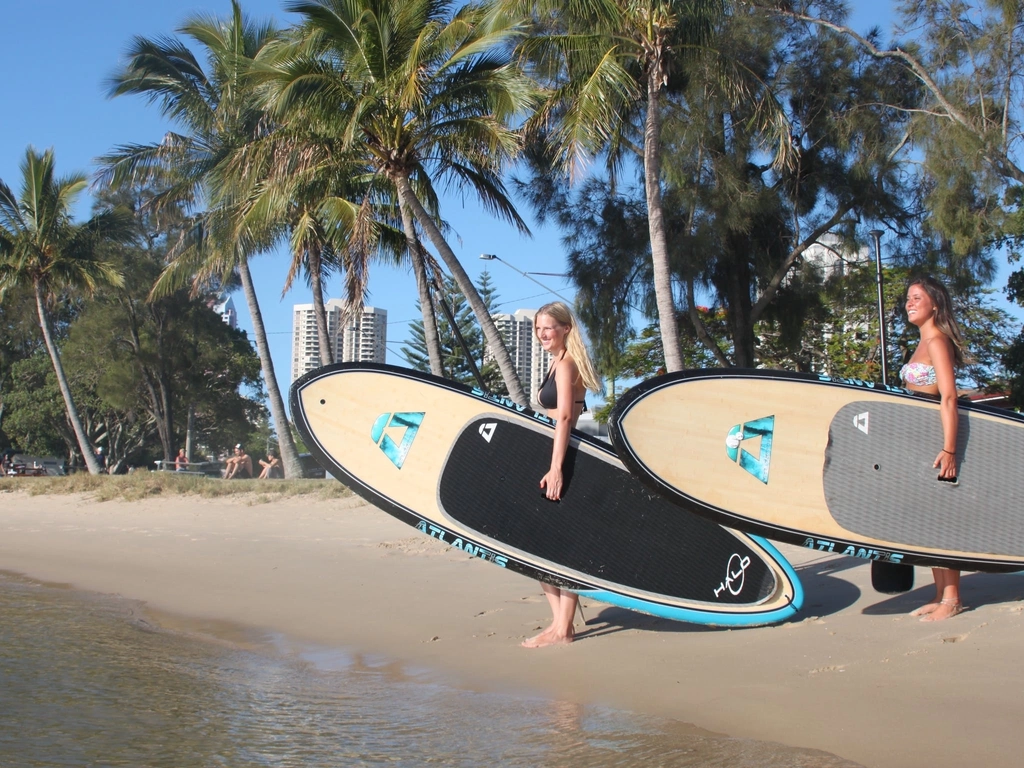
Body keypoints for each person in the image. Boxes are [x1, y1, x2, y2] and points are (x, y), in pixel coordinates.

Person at [521, 301, 602, 648]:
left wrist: (556, 469)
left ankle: (564, 629)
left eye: (548, 328)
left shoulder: (568, 363)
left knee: (562, 544)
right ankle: (557, 623)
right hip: (553, 454)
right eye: (538, 328)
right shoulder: (555, 362)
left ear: (566, 328)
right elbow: (557, 413)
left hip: (566, 458)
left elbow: (568, 418)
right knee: (535, 542)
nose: (542, 334)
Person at [901, 275, 967, 622]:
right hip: (919, 444)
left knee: (942, 519)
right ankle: (940, 593)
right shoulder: (920, 344)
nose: (909, 303)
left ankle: (953, 598)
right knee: (927, 522)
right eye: (908, 299)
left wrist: (950, 449)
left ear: (934, 304)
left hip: (937, 443)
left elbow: (949, 397)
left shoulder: (937, 342)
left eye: (916, 298)